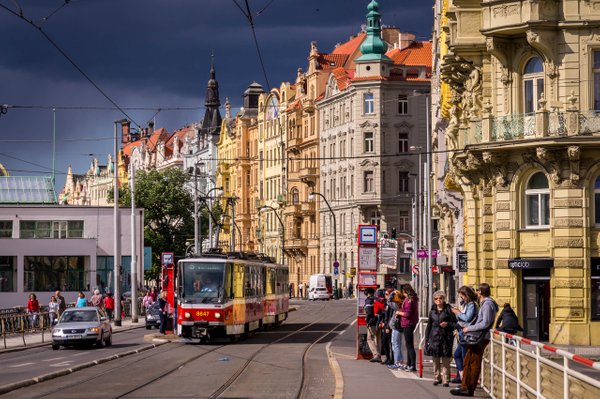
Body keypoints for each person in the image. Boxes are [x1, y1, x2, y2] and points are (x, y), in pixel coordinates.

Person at [451, 283, 499, 397]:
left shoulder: (487, 304)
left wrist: (469, 328)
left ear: (480, 292)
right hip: (478, 336)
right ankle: (465, 386)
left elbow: (485, 322)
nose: (476, 293)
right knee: (468, 360)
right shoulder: (485, 304)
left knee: (473, 362)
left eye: (477, 291)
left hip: (480, 337)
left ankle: (469, 387)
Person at [425, 290, 456, 387]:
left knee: (446, 360)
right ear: (434, 300)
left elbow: (455, 324)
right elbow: (429, 326)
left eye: (440, 298)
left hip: (445, 337)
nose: (438, 300)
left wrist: (447, 324)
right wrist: (426, 339)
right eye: (436, 299)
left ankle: (445, 379)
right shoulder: (432, 311)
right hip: (434, 337)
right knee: (435, 360)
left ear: (444, 299)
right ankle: (436, 377)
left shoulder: (449, 310)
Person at [451, 285, 478, 384]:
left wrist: (457, 313)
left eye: (461, 296)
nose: (460, 298)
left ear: (466, 295)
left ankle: (465, 379)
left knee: (464, 356)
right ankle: (461, 374)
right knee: (457, 355)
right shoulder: (467, 304)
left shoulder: (471, 304)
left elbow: (467, 318)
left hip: (467, 333)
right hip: (463, 332)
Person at [397, 284, 419, 372]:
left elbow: (408, 314)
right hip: (409, 323)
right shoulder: (412, 299)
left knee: (409, 345)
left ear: (405, 291)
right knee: (408, 344)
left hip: (408, 323)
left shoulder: (409, 300)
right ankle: (409, 364)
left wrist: (399, 313)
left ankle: (412, 365)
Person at [387, 289, 406, 370]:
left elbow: (388, 301)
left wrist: (392, 293)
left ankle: (397, 362)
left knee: (395, 345)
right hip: (401, 327)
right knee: (398, 345)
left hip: (396, 327)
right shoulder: (403, 303)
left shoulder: (397, 305)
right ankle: (400, 362)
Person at [364, 287, 381, 362]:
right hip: (379, 321)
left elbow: (369, 312)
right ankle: (379, 355)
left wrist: (367, 321)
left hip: (372, 322)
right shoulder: (377, 299)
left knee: (370, 338)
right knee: (377, 339)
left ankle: (375, 354)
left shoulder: (368, 300)